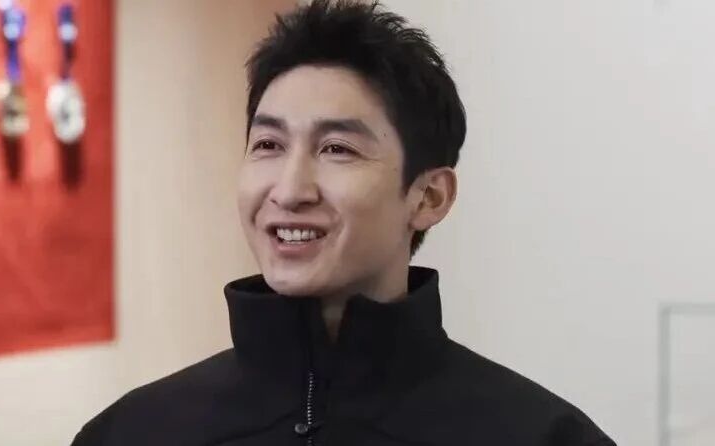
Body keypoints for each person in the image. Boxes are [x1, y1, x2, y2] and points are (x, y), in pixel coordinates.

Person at [72, 1, 615, 444]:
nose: (289, 190)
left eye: (337, 148)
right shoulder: (131, 433)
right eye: (268, 144)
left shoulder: (542, 436)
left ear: (429, 196)